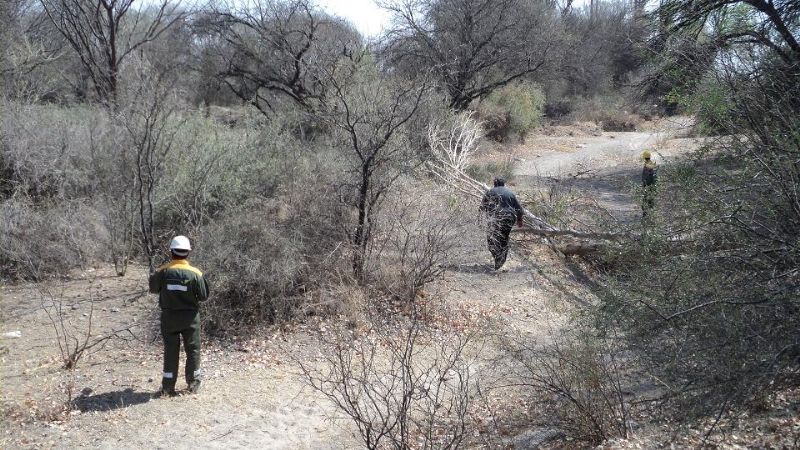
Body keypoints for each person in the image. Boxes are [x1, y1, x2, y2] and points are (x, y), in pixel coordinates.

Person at [149, 235, 209, 397]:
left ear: (171, 252)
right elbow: (204, 296)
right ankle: (193, 384)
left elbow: (153, 289)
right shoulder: (196, 273)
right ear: (187, 253)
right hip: (190, 319)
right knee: (193, 350)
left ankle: (168, 388)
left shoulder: (162, 272)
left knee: (170, 350)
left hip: (169, 318)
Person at [480, 178, 524, 270]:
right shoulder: (510, 193)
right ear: (504, 184)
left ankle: (498, 258)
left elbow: (482, 208)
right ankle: (501, 260)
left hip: (494, 218)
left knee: (491, 238)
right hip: (509, 218)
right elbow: (519, 209)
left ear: (494, 184)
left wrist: (480, 220)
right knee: (504, 238)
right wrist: (519, 220)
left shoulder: (489, 192)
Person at [641, 150, 658, 217]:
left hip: (648, 186)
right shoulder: (651, 164)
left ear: (644, 157)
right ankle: (651, 215)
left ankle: (646, 216)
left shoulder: (647, 165)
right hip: (652, 186)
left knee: (646, 200)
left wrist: (644, 185)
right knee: (651, 200)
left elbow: (646, 177)